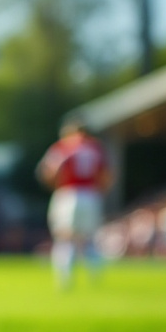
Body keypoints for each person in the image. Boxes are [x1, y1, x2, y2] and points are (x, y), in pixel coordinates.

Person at [37, 117, 112, 287]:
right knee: (89, 239)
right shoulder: (95, 147)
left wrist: (53, 184)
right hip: (91, 194)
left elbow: (49, 170)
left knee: (64, 238)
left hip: (68, 193)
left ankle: (65, 281)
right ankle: (95, 279)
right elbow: (107, 175)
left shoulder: (64, 146)